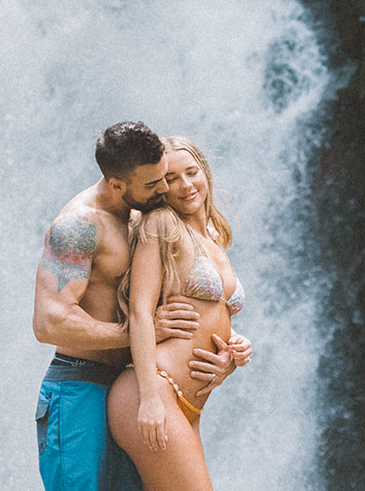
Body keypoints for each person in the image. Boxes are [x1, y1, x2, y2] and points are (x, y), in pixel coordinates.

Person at [33, 122, 243, 491]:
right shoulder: (79, 225)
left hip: (131, 379)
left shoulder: (145, 219)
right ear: (117, 184)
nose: (165, 189)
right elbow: (49, 322)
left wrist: (225, 347)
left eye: (166, 178)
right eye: (154, 184)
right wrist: (137, 331)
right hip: (82, 385)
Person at [107, 137, 248, 491]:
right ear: (159, 188)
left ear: (205, 173)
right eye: (171, 179)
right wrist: (150, 400)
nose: (185, 185)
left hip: (189, 402)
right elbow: (141, 311)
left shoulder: (214, 236)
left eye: (191, 172)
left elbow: (211, 316)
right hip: (152, 390)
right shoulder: (162, 225)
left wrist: (233, 351)